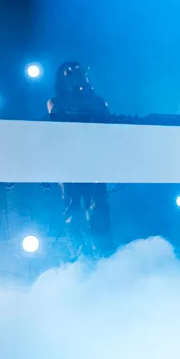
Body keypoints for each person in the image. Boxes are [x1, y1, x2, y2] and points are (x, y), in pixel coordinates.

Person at [48, 61, 113, 257]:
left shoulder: (96, 100)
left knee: (98, 205)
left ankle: (102, 253)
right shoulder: (56, 102)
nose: (74, 76)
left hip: (94, 160)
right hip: (69, 162)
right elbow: (55, 126)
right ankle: (79, 255)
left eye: (77, 72)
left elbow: (108, 124)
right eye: (68, 73)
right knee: (73, 206)